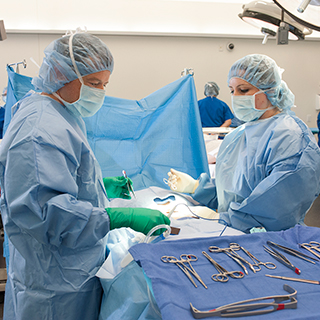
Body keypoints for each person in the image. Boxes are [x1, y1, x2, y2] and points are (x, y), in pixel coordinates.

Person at [0, 32, 170, 320]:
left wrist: (99, 186)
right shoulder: (39, 129)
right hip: (54, 284)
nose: (100, 92)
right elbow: (46, 214)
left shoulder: (59, 111)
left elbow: (52, 180)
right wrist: (119, 217)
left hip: (67, 268)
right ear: (58, 73)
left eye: (104, 84)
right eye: (93, 84)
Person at [167, 54, 320, 234]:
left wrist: (218, 219)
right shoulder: (237, 136)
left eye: (244, 90)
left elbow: (276, 209)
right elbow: (231, 192)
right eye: (232, 91)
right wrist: (197, 187)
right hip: (230, 235)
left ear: (270, 91)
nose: (236, 97)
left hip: (272, 243)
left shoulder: (290, 137)